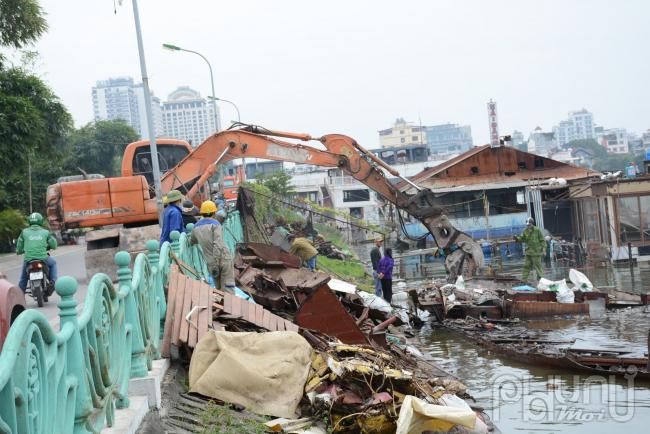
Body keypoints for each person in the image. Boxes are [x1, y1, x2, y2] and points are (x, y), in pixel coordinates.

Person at [190, 201, 236, 292]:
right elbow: (218, 243)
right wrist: (217, 261)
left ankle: (221, 305)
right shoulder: (215, 224)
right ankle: (229, 306)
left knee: (218, 289)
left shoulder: (195, 228)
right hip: (223, 259)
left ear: (202, 213)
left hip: (211, 264)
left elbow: (192, 241)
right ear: (214, 213)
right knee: (228, 288)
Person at [16, 212, 58, 292]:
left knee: (23, 279)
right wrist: (50, 247)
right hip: (43, 258)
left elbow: (19, 247)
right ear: (41, 221)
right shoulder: (45, 232)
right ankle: (53, 282)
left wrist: (19, 251)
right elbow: (54, 245)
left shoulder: (24, 232)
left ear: (29, 221)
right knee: (53, 263)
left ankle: (20, 296)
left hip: (29, 260)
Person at [515, 217, 546, 282]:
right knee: (526, 266)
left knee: (538, 267)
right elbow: (522, 238)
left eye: (529, 225)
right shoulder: (525, 231)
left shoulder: (537, 230)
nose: (528, 226)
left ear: (532, 224)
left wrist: (544, 249)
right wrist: (517, 239)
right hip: (528, 252)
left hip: (536, 252)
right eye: (527, 225)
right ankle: (524, 280)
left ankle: (541, 280)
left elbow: (542, 240)